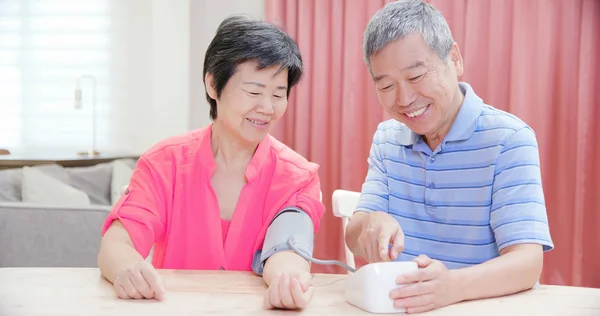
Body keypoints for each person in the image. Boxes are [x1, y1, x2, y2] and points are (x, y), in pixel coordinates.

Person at [98, 15, 325, 310]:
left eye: (278, 94)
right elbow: (116, 245)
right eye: (254, 91)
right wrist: (127, 268)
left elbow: (287, 253)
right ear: (212, 84)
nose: (267, 108)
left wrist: (288, 281)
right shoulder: (164, 163)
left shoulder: (298, 177)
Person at [345, 0, 554, 313]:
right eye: (386, 85)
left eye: (416, 77)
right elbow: (354, 234)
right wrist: (371, 223)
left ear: (454, 59)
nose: (404, 99)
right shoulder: (388, 140)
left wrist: (452, 287)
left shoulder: (508, 139)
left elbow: (527, 262)